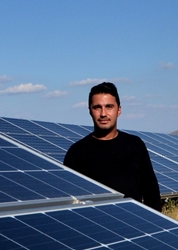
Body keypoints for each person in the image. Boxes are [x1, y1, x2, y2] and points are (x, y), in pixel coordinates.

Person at [63, 82, 164, 211]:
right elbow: (68, 197)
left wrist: (154, 219)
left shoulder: (135, 145)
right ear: (90, 111)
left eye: (109, 107)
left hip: (134, 221)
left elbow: (151, 191)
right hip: (95, 222)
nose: (103, 113)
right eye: (97, 107)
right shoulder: (77, 152)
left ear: (119, 110)